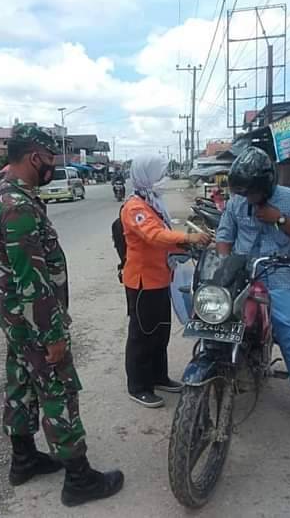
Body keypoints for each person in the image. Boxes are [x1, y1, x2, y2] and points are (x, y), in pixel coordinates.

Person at [0, 124, 123, 507]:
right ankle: (80, 479)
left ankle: (24, 459)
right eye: (50, 161)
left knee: (20, 382)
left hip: (15, 317)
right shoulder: (17, 205)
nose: (51, 168)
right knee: (58, 388)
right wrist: (53, 335)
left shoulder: (9, 196)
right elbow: (30, 278)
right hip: (33, 318)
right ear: (35, 158)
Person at [216, 146, 290, 443]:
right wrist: (224, 265)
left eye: (250, 193)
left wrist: (280, 219)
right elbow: (224, 237)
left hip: (279, 278)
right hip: (241, 274)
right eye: (242, 192)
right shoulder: (236, 202)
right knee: (216, 321)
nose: (245, 198)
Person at [121, 155, 210, 408]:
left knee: (160, 332)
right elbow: (154, 235)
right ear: (146, 177)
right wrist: (190, 238)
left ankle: (158, 376)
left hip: (161, 278)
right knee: (142, 335)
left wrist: (186, 248)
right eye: (158, 175)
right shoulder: (135, 207)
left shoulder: (153, 203)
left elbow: (166, 238)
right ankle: (138, 386)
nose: (163, 180)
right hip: (142, 283)